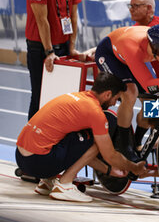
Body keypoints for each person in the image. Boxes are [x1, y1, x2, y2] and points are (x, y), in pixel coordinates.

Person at [15, 72, 147, 202]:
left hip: (21, 158)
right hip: (39, 162)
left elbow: (78, 151)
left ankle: (47, 181)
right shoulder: (95, 113)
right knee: (96, 138)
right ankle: (64, 185)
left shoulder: (78, 96)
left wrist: (108, 170)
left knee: (68, 134)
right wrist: (133, 168)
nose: (114, 104)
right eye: (116, 99)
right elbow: (110, 156)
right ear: (107, 94)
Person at [94, 24, 159, 164]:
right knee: (131, 92)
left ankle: (136, 141)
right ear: (152, 47)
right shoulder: (133, 48)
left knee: (152, 101)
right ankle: (125, 146)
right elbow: (149, 86)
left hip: (138, 57)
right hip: (110, 54)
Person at [26, 0, 84, 120]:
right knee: (40, 96)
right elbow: (41, 20)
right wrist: (49, 51)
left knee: (63, 97)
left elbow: (73, 16)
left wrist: (72, 47)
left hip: (64, 45)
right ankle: (32, 137)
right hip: (41, 48)